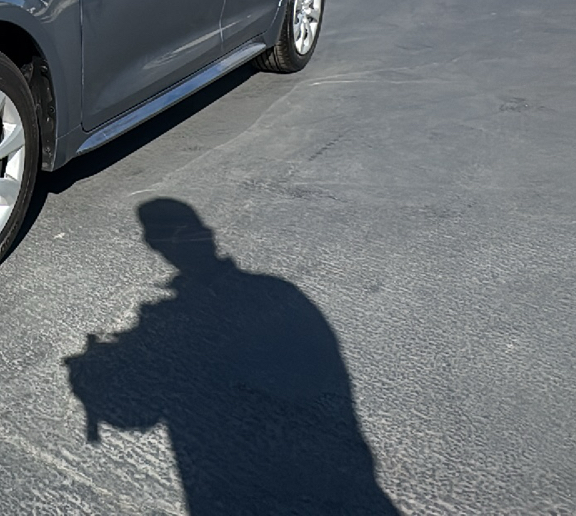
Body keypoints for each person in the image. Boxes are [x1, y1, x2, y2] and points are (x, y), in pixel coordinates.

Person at [65, 198, 400, 515]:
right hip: (338, 475)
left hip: (240, 487)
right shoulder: (278, 291)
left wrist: (83, 377)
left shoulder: (182, 317)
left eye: (159, 238)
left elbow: (138, 414)